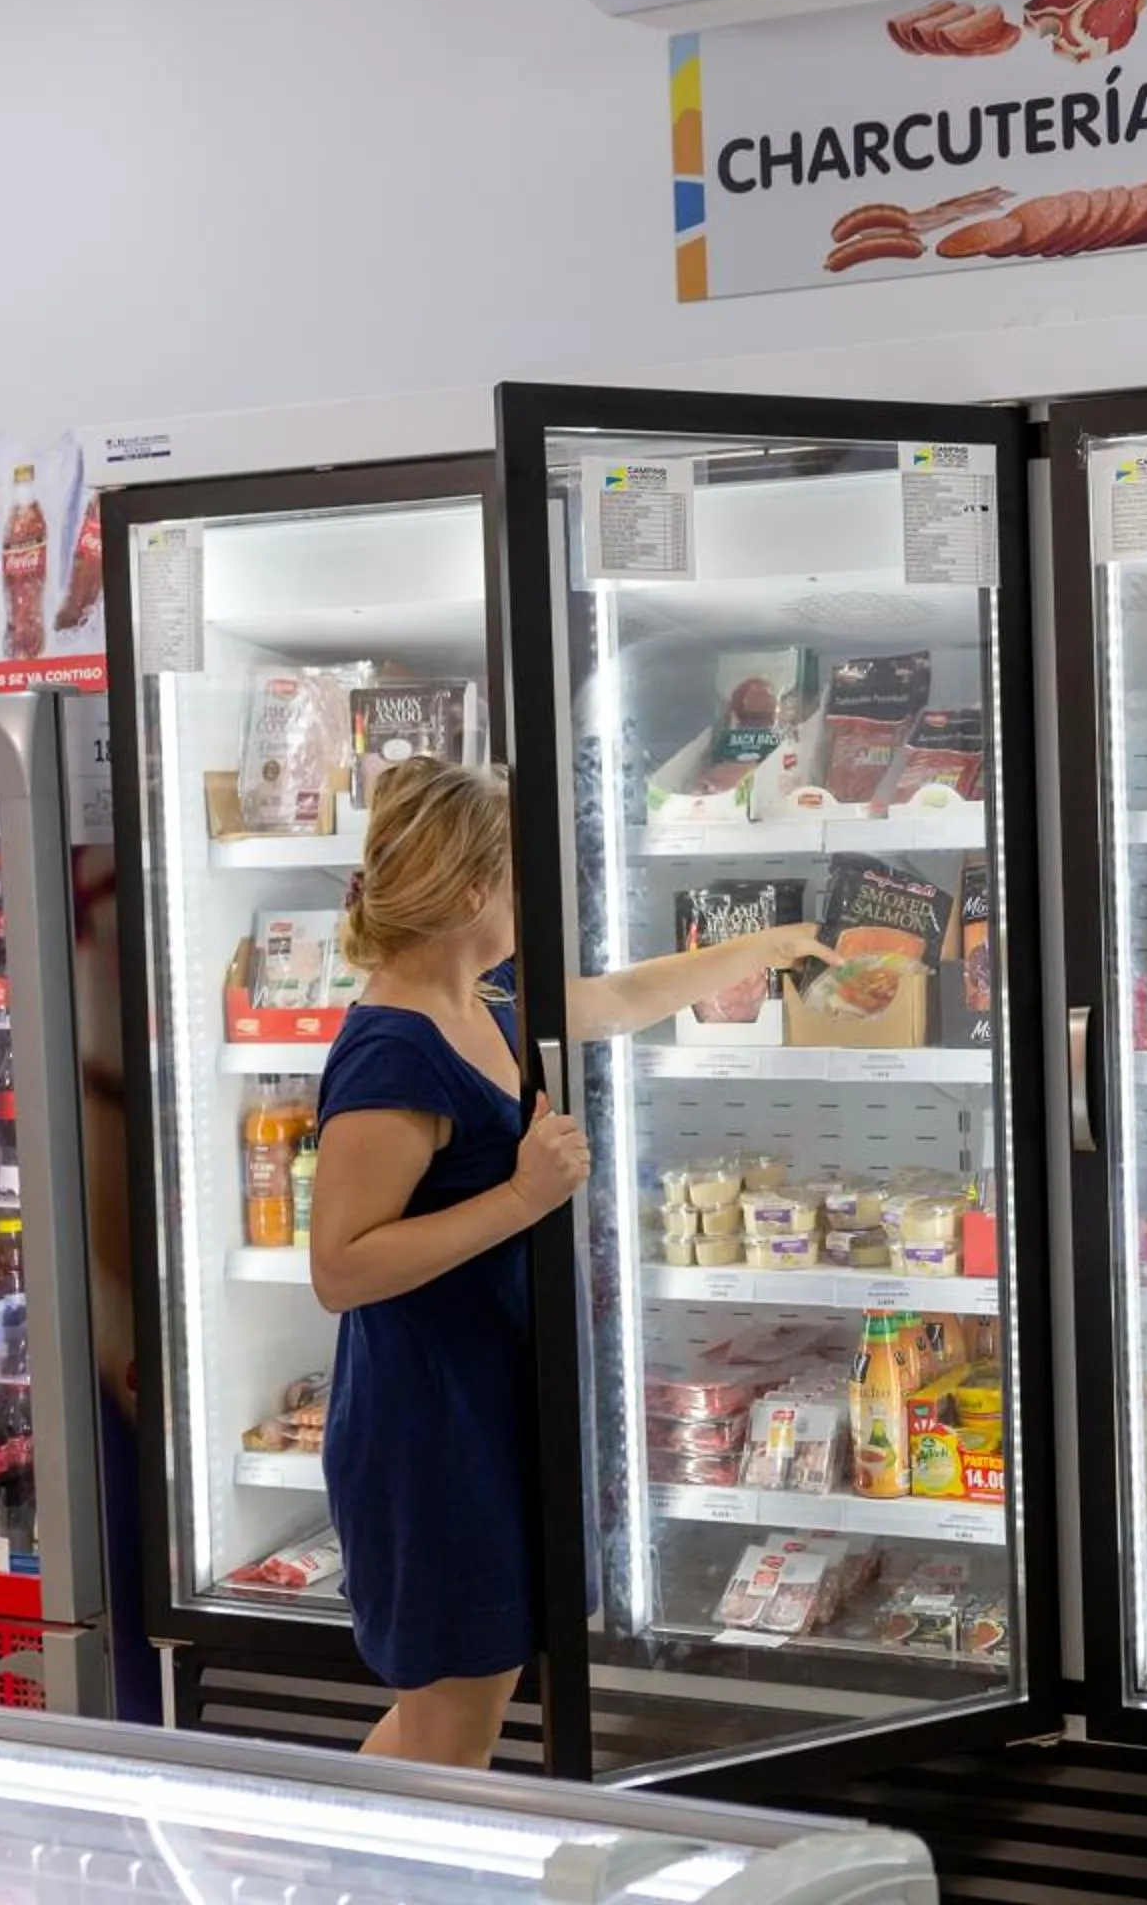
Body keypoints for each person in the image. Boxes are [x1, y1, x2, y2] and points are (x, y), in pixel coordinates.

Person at [307, 756, 833, 1766]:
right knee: (453, 1727)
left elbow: (621, 997)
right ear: (472, 893)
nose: (533, 900)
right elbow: (341, 1266)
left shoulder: (481, 999)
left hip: (487, 1415)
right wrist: (521, 1196)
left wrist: (769, 944)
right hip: (432, 1436)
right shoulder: (393, 1052)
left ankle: (311, 1863)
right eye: (520, 880)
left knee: (453, 1707)